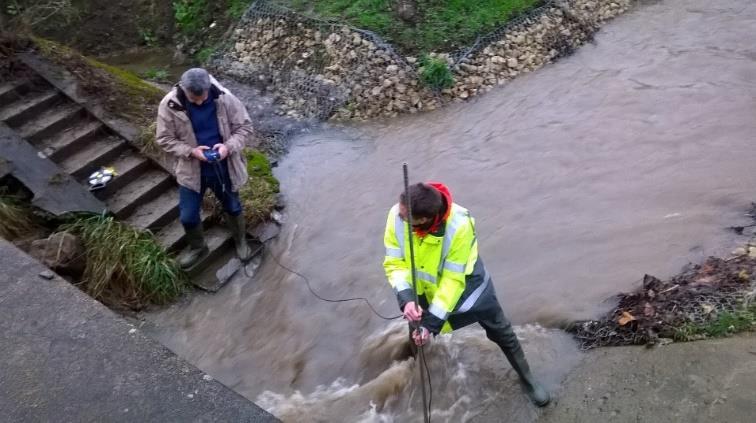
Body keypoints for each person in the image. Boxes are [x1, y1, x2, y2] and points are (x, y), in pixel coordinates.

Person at [382, 182, 550, 406]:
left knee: (500, 330)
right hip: (422, 288)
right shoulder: (397, 213)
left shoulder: (460, 225)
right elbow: (394, 261)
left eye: (405, 218)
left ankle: (528, 378)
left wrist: (431, 324)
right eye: (400, 210)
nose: (398, 215)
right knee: (416, 327)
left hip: (470, 289)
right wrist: (407, 299)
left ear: (424, 220)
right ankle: (415, 357)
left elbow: (453, 280)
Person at [156, 68, 253, 269]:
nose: (199, 102)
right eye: (194, 99)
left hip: (224, 166)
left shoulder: (225, 98)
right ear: (184, 89)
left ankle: (240, 240)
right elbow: (164, 138)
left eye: (203, 98)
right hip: (191, 170)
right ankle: (198, 247)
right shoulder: (169, 105)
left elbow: (244, 127)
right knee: (188, 216)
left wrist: (227, 147)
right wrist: (191, 151)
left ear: (208, 88)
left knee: (233, 207)